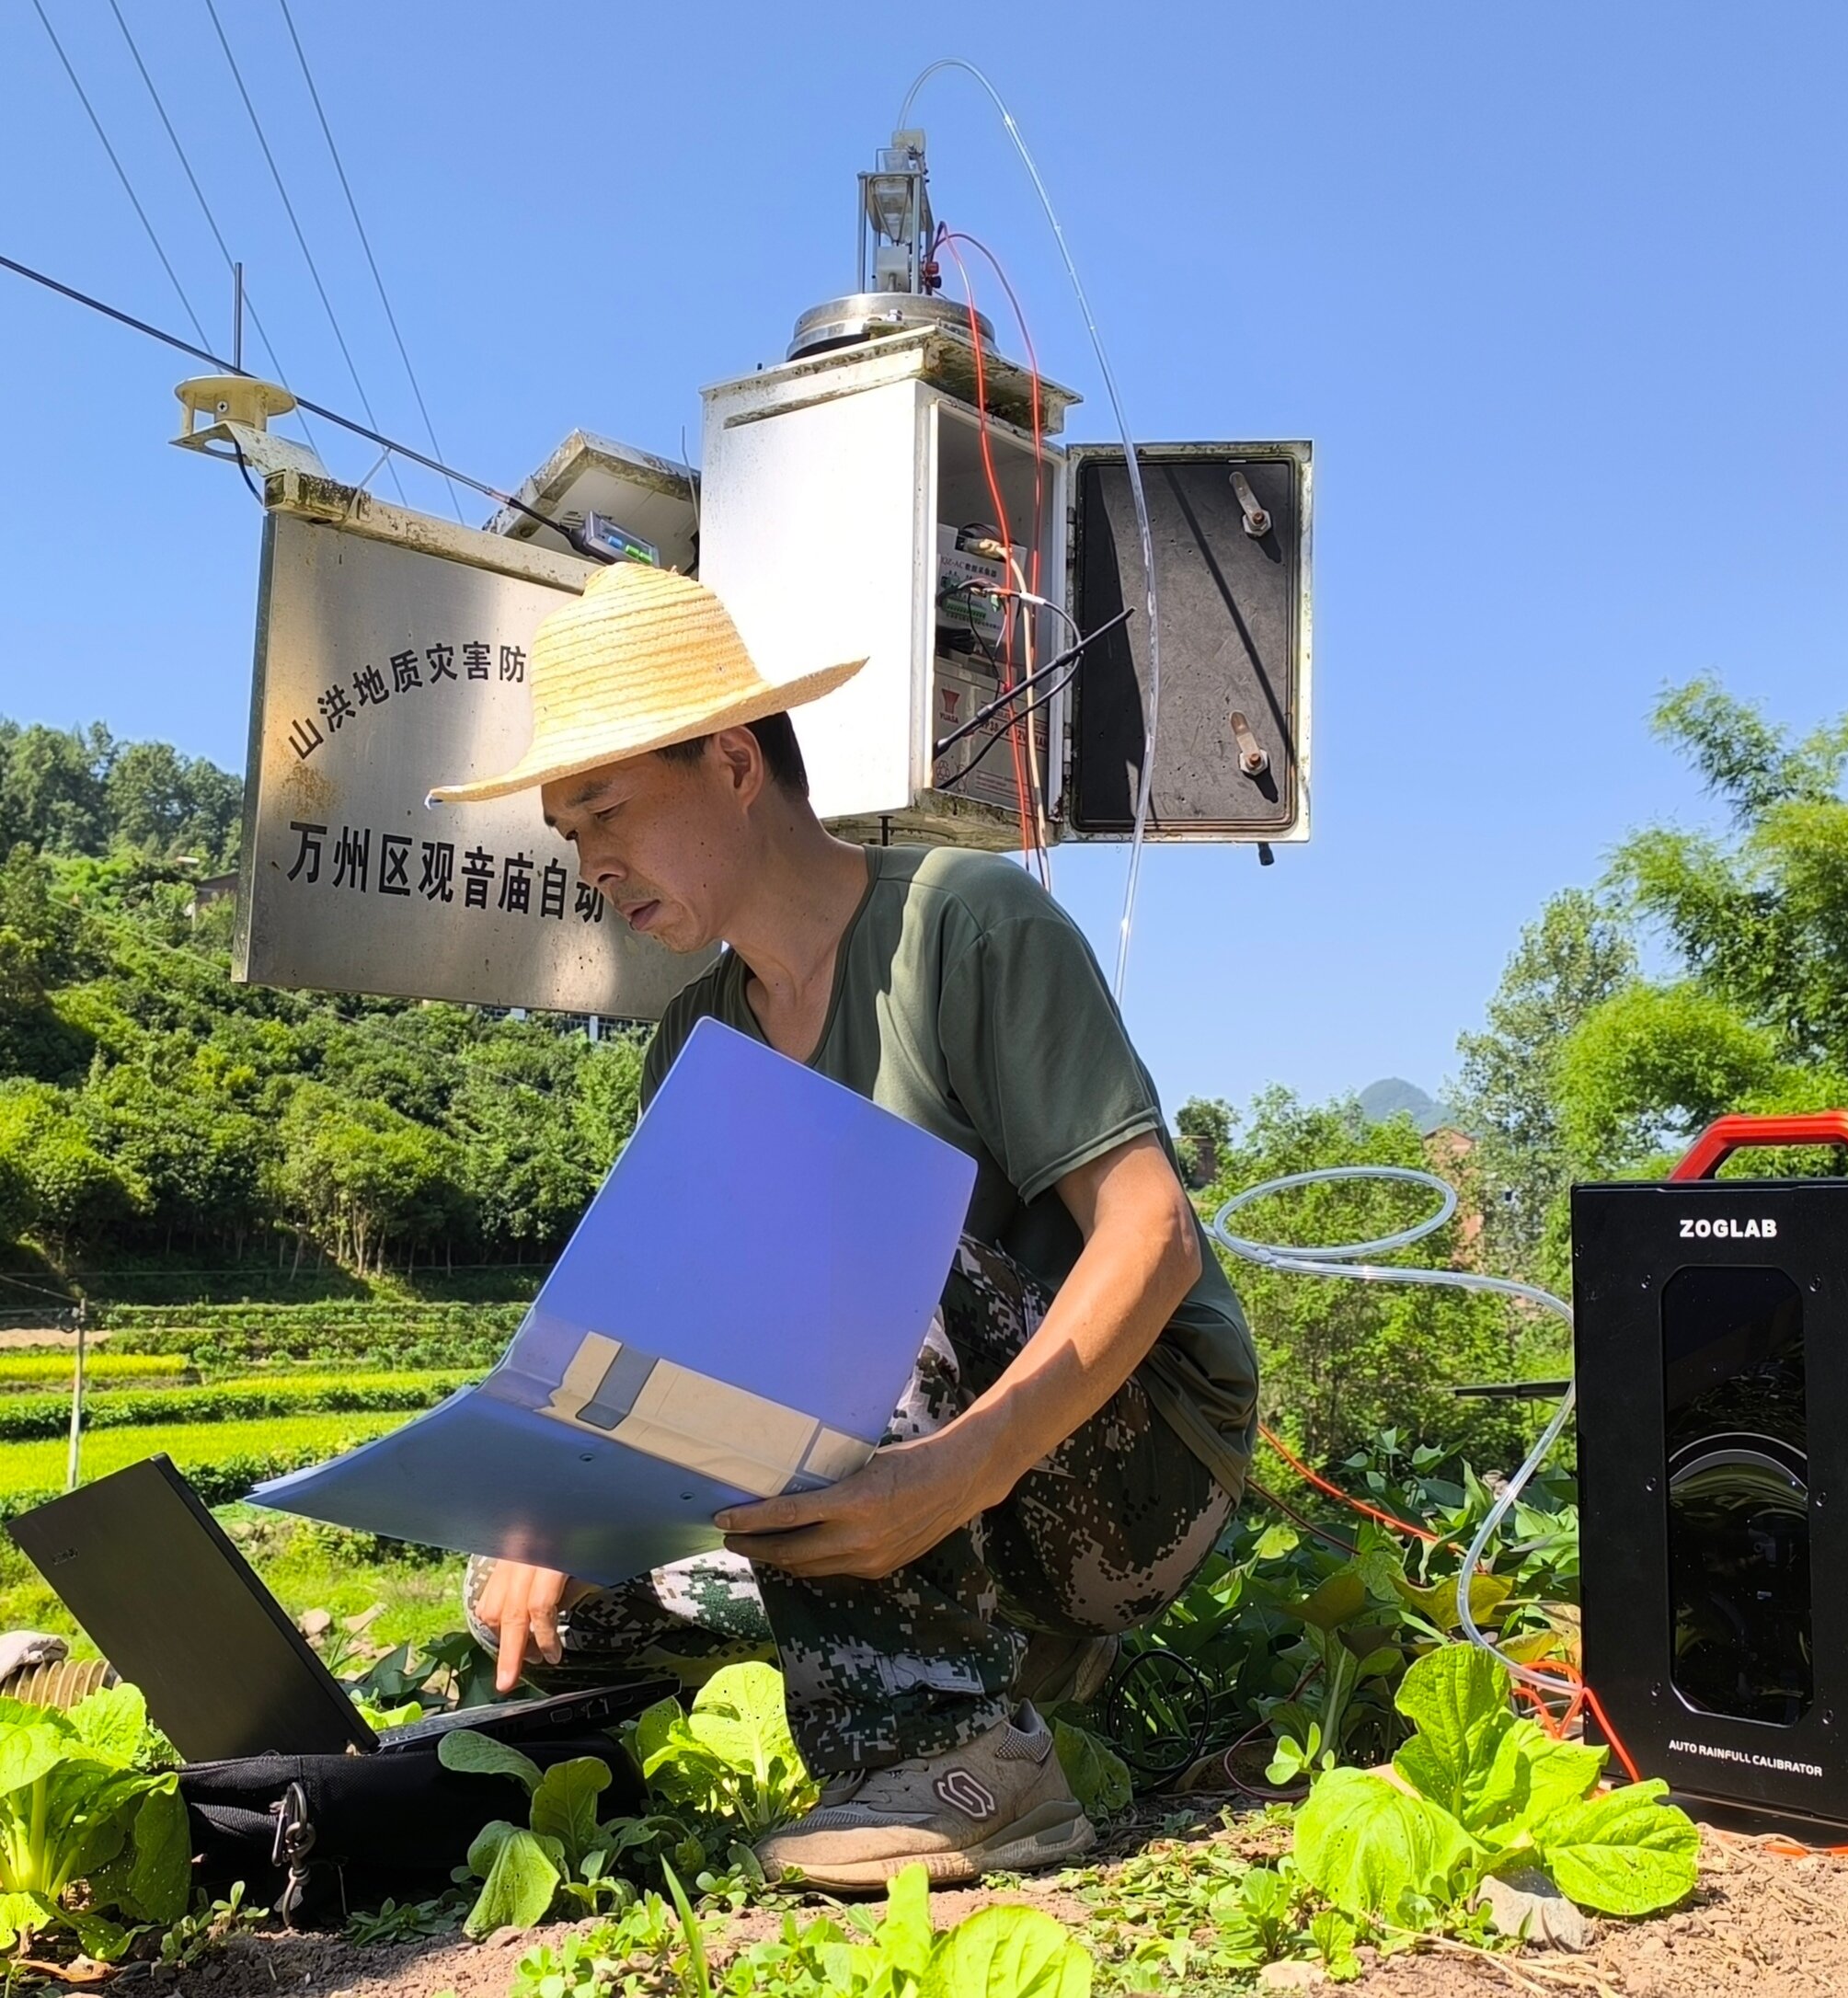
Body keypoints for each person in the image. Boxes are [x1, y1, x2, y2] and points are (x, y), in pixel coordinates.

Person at [429, 563, 1257, 1889]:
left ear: (735, 763)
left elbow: (1153, 1237)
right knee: (525, 1593)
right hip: (927, 1485)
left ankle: (971, 1750)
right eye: (567, 834)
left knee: (832, 1230)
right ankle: (961, 1653)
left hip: (1129, 1470)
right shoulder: (699, 1036)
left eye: (607, 812)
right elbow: (678, 1335)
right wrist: (556, 1524)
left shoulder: (963, 925)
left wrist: (962, 1474)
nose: (592, 865)